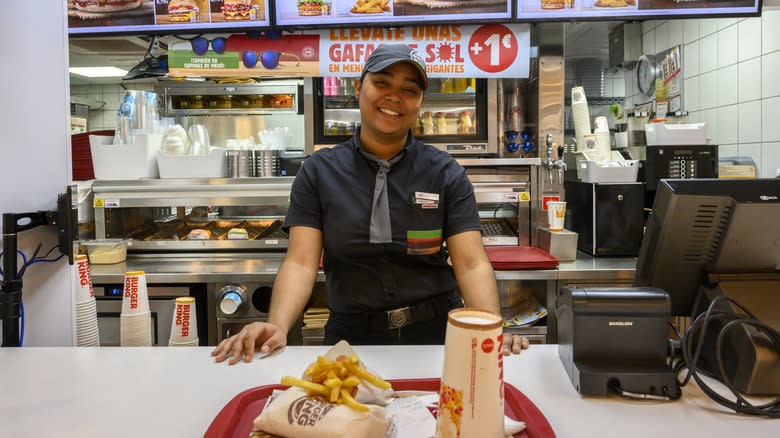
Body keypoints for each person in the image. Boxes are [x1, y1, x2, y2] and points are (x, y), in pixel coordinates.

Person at [213, 44, 529, 365]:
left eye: (409, 90)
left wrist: (492, 327)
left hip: (436, 337)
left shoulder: (445, 172)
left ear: (420, 102)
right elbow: (301, 263)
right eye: (382, 82)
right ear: (358, 86)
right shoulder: (320, 171)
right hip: (350, 337)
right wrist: (277, 324)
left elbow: (471, 263)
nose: (395, 96)